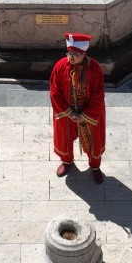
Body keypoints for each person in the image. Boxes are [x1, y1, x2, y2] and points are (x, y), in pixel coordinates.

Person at [49, 32, 106, 182]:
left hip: (89, 113)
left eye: (75, 54)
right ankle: (67, 161)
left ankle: (95, 167)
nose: (71, 57)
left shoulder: (94, 68)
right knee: (65, 138)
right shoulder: (60, 66)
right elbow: (55, 91)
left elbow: (98, 95)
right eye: (69, 53)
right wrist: (69, 113)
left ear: (83, 54)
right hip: (67, 112)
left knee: (93, 141)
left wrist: (84, 116)